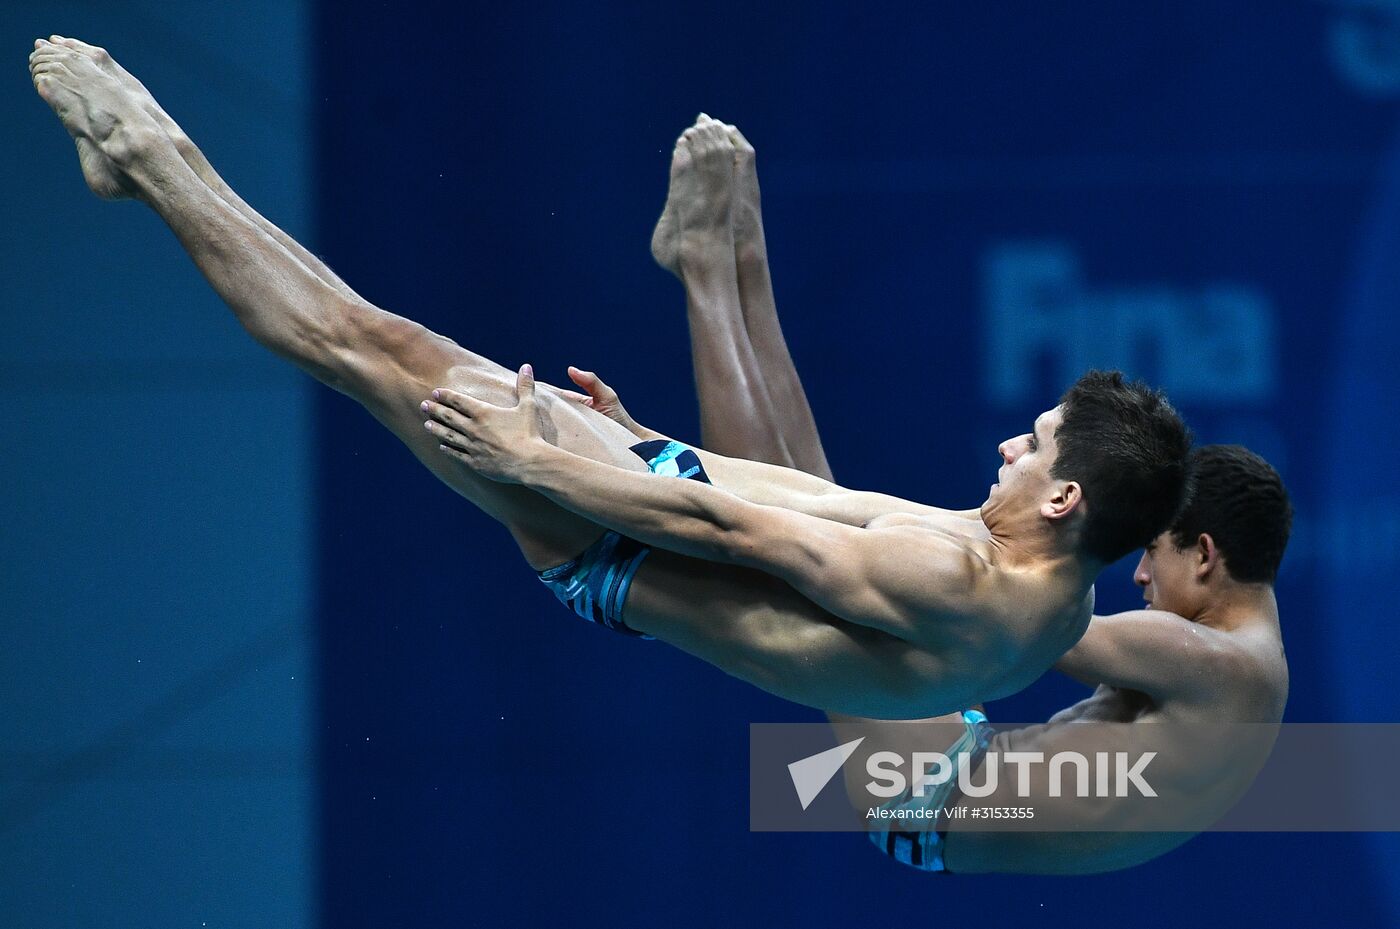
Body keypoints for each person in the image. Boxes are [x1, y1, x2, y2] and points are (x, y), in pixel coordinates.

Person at [31, 36, 1188, 719]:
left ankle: (146, 156)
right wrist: (640, 438)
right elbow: (804, 498)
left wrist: (545, 461)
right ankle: (712, 264)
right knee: (387, 345)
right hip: (652, 518)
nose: (1007, 448)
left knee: (369, 346)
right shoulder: (1054, 594)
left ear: (1063, 498)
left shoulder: (957, 576)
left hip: (616, 543)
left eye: (1031, 445)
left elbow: (729, 528)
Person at [568, 118, 1288, 875]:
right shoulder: (1254, 671)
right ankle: (736, 261)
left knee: (797, 538)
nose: (1138, 577)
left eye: (1149, 552)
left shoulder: (1215, 661)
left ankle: (711, 271)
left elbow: (1038, 621)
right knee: (817, 504)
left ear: (1205, 553)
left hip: (926, 793)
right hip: (954, 773)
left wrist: (950, 544)